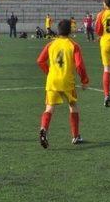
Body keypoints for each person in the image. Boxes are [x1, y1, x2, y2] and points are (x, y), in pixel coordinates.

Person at [37, 19, 89, 148]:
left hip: (52, 80)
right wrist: (84, 80)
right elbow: (79, 66)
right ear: (70, 31)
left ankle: (43, 129)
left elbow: (40, 61)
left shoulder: (51, 44)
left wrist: (48, 72)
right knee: (73, 106)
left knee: (49, 108)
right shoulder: (73, 45)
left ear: (58, 30)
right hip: (67, 81)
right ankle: (76, 136)